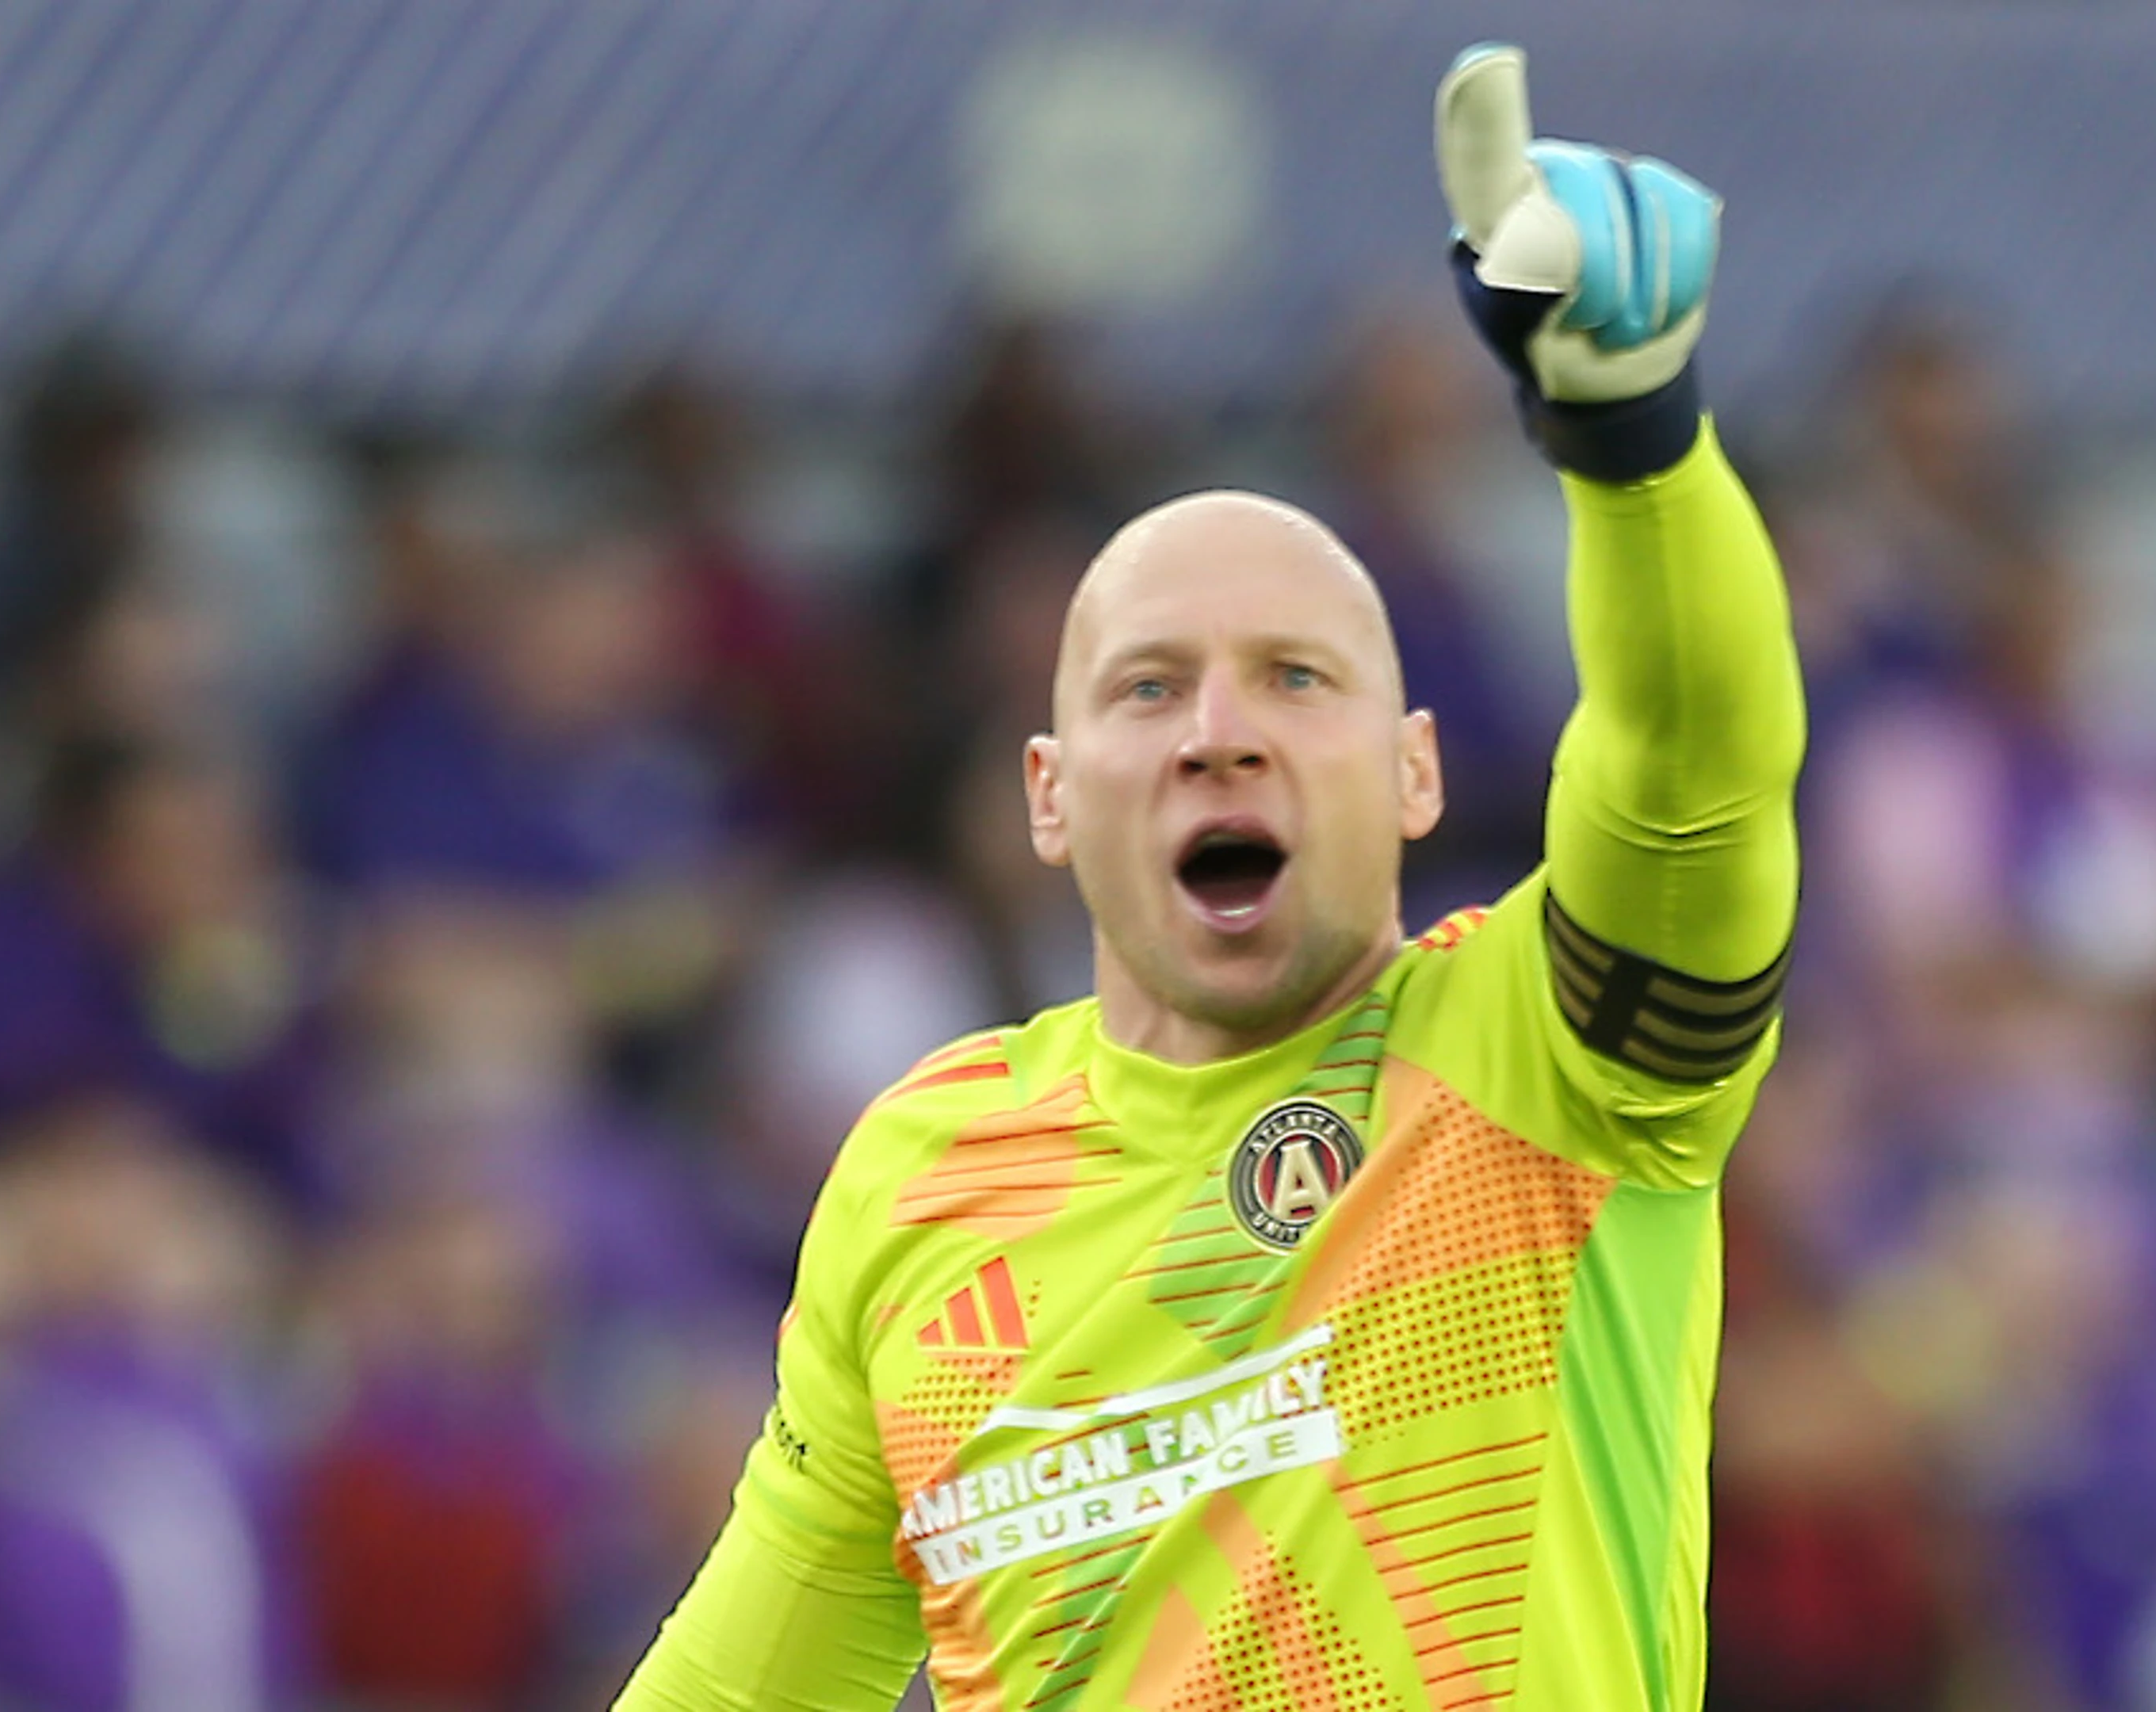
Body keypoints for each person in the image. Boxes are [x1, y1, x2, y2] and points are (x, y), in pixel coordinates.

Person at [617, 44, 1802, 1710]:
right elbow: (749, 1684)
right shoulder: (923, 1177)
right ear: (1048, 796)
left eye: (1298, 681)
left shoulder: (1551, 1065)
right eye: (1149, 688)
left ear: (1416, 775)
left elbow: (1695, 770)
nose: (1218, 735)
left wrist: (1630, 434)